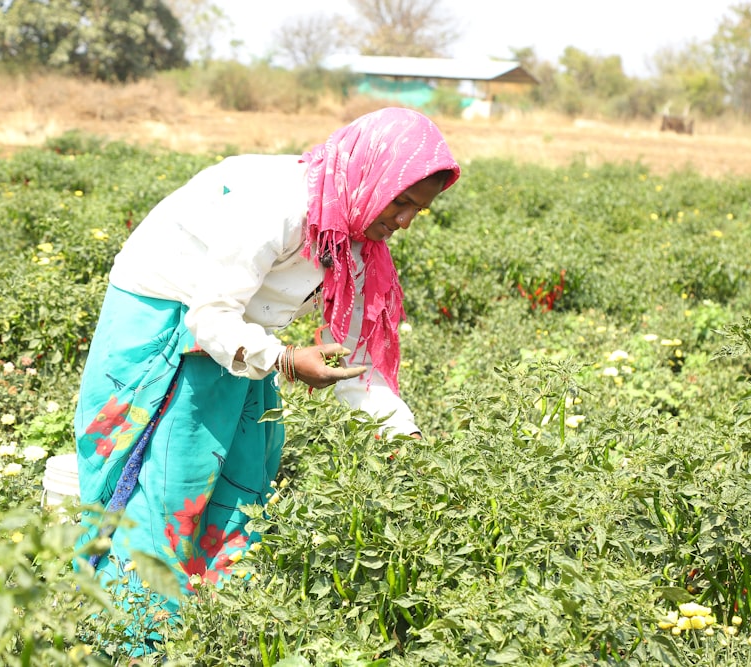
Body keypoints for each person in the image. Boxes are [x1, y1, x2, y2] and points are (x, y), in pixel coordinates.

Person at [73, 107, 461, 651]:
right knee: (171, 482)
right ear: (371, 174)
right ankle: (135, 640)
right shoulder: (281, 205)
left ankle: (214, 624)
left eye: (417, 210)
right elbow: (208, 317)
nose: (404, 221)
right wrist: (284, 360)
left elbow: (354, 356)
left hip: (243, 330)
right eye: (400, 202)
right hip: (172, 311)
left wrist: (401, 432)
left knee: (245, 469)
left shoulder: (355, 235)